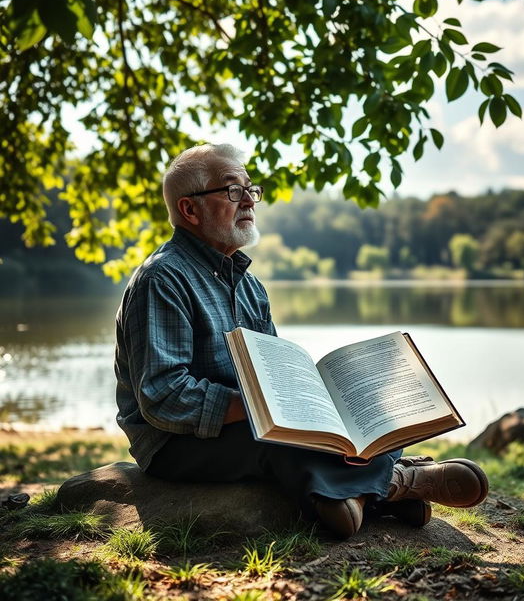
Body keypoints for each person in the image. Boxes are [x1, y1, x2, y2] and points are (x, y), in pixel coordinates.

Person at [115, 143, 489, 539]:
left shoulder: (250, 286)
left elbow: (269, 368)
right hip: (174, 444)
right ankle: (396, 483)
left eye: (250, 190)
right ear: (190, 210)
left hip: (248, 423)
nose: (249, 202)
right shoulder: (162, 278)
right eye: (233, 190)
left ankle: (362, 494)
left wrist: (304, 403)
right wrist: (260, 407)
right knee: (281, 444)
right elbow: (163, 396)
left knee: (361, 424)